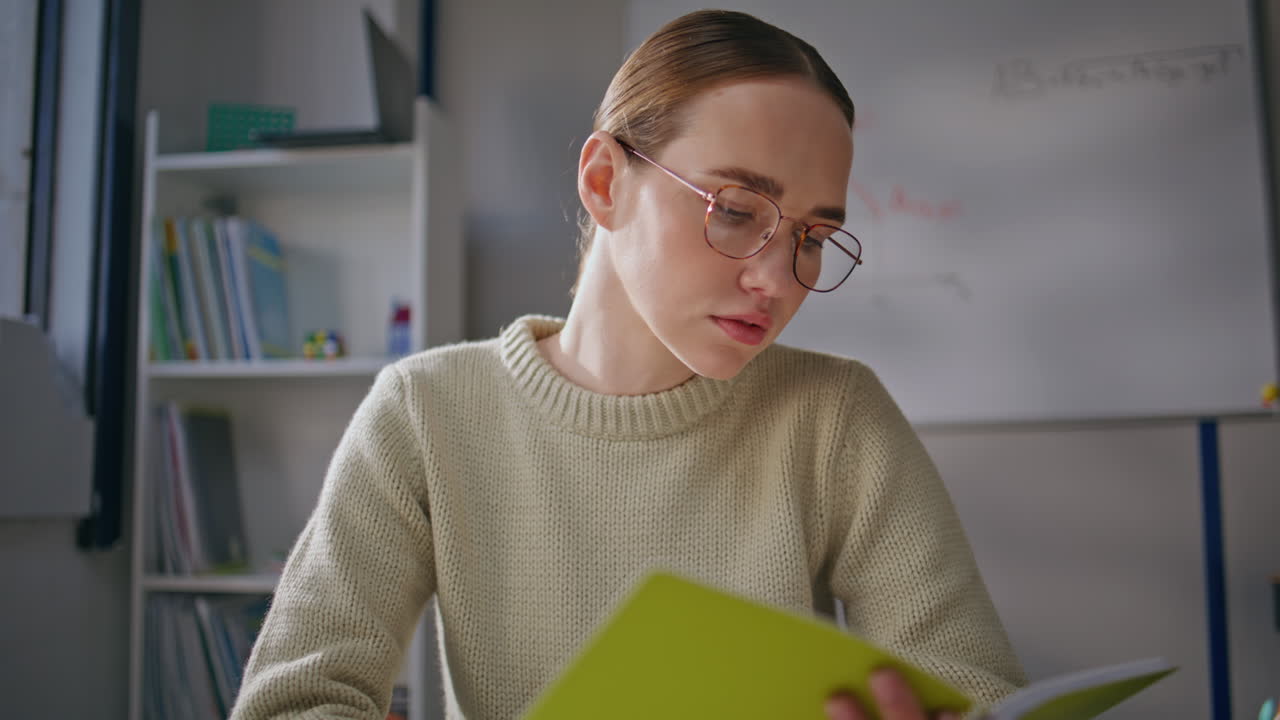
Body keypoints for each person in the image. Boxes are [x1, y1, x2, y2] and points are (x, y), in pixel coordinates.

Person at [229, 9, 1026, 720]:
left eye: (812, 238)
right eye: (739, 210)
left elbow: (975, 690)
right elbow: (292, 702)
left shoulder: (836, 415)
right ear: (605, 181)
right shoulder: (425, 411)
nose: (778, 282)